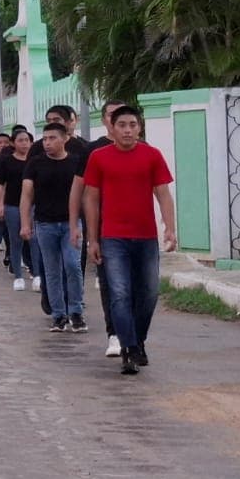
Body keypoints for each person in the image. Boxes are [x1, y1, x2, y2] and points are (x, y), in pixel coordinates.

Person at [82, 105, 177, 376]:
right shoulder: (99, 157)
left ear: (139, 127)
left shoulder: (152, 155)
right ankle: (128, 347)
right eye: (121, 125)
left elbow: (163, 193)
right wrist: (93, 239)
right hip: (113, 238)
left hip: (146, 237)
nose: (127, 130)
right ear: (111, 128)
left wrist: (170, 228)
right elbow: (91, 199)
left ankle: (137, 340)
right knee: (120, 293)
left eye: (132, 125)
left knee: (149, 293)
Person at [70, 102, 127, 356]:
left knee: (139, 289)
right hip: (103, 228)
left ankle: (133, 333)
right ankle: (114, 334)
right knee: (111, 284)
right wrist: (75, 223)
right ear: (105, 120)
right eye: (113, 115)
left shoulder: (144, 150)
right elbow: (78, 189)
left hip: (137, 229)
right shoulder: (92, 151)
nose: (120, 121)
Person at [21, 122, 87, 332]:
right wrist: (25, 223)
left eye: (52, 138)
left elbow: (86, 195)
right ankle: (58, 315)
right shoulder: (35, 163)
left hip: (71, 224)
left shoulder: (76, 162)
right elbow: (27, 195)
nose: (47, 143)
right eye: (45, 139)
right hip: (44, 224)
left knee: (73, 265)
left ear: (65, 138)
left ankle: (76, 311)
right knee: (52, 270)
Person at [0, 128, 33, 288]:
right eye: (20, 140)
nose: (24, 143)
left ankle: (36, 274)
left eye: (27, 140)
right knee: (16, 240)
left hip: (33, 206)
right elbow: (0, 184)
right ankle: (18, 275)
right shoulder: (7, 161)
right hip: (12, 205)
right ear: (13, 143)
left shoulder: (35, 160)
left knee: (34, 241)